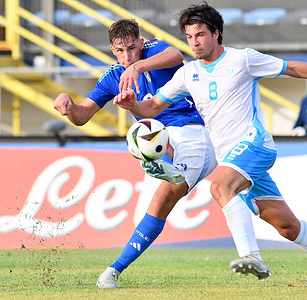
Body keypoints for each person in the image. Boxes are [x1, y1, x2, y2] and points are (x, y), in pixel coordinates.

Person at [113, 2, 307, 291]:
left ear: (216, 34)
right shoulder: (187, 74)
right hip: (232, 158)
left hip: (254, 143)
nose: (195, 42)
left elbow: (292, 69)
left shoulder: (242, 60)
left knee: (219, 186)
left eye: (200, 34)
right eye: (190, 37)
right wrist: (134, 106)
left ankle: (251, 256)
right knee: (288, 227)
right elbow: (152, 106)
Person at [53, 18, 270, 289]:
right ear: (112, 50)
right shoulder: (112, 77)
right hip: (168, 138)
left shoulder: (154, 51)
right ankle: (113, 271)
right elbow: (82, 115)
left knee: (153, 156)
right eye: (120, 51)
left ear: (141, 43)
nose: (127, 56)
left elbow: (176, 55)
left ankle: (165, 166)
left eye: (132, 48)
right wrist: (68, 105)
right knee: (158, 193)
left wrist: (137, 67)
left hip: (197, 133)